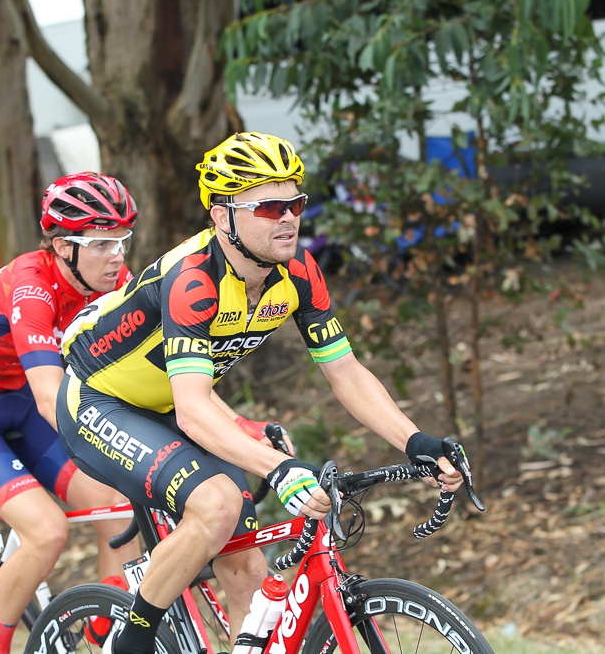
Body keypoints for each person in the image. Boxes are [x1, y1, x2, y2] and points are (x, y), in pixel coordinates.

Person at [55, 132, 467, 654]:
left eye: (294, 203)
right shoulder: (194, 280)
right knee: (220, 503)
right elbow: (194, 409)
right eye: (270, 206)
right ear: (223, 216)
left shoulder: (297, 274)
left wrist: (415, 441)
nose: (289, 218)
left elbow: (346, 373)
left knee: (246, 565)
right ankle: (131, 642)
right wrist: (276, 467)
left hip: (175, 407)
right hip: (99, 402)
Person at [0, 172, 142, 654]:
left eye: (122, 240)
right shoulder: (31, 286)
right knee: (46, 529)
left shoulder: (113, 282)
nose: (119, 255)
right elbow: (51, 397)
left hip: (21, 400)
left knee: (119, 508)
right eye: (103, 243)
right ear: (63, 247)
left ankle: (101, 638)